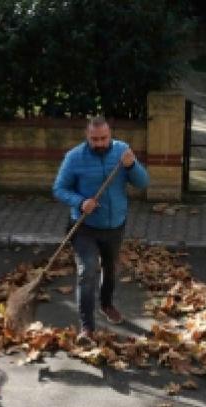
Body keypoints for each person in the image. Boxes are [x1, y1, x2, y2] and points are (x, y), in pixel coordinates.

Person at [52, 116, 150, 344]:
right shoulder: (74, 157)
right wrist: (80, 202)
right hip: (85, 226)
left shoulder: (122, 151)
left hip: (115, 225)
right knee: (87, 272)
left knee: (110, 267)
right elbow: (59, 188)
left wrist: (132, 166)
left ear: (110, 134)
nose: (99, 143)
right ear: (87, 136)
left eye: (103, 138)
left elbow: (143, 183)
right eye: (94, 139)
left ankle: (106, 304)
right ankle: (87, 327)